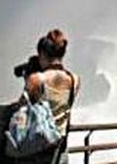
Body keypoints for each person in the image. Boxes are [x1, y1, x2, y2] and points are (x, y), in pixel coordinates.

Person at [24, 29, 80, 162]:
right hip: (60, 148)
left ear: (42, 53)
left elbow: (22, 108)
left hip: (38, 150)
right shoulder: (74, 80)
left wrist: (28, 78)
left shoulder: (36, 79)